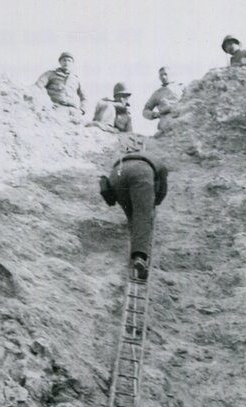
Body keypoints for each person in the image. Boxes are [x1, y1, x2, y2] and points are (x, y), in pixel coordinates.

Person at [99, 140, 168, 281]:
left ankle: (135, 249)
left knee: (133, 216)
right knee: (143, 216)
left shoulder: (123, 158)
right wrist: (153, 204)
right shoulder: (157, 162)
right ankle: (139, 257)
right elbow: (162, 191)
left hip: (117, 174)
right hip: (141, 173)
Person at [34, 52, 86, 117]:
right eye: (64, 60)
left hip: (74, 111)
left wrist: (82, 110)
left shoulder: (76, 79)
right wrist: (45, 103)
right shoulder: (50, 74)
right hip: (57, 108)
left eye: (69, 60)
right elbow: (37, 87)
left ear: (72, 63)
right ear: (60, 62)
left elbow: (84, 97)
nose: (66, 62)